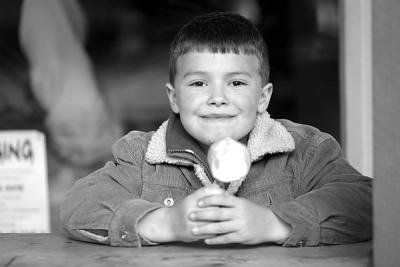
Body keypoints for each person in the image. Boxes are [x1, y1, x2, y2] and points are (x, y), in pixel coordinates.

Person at [60, 12, 372, 247]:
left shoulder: (304, 150)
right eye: (198, 83)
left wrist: (275, 223)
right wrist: (164, 222)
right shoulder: (141, 155)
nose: (217, 98)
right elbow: (80, 203)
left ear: (263, 98)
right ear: (174, 98)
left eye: (236, 83)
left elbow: (366, 201)